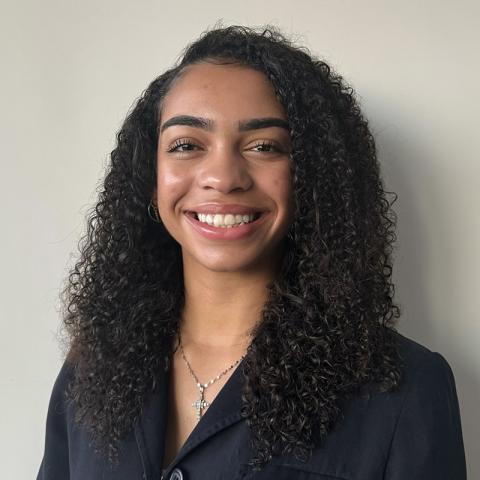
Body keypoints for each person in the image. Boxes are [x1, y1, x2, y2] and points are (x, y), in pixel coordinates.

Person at [37, 25, 467, 479]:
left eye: (264, 146)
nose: (223, 177)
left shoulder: (403, 389)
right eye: (186, 145)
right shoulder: (90, 374)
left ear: (310, 178)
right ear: (149, 176)